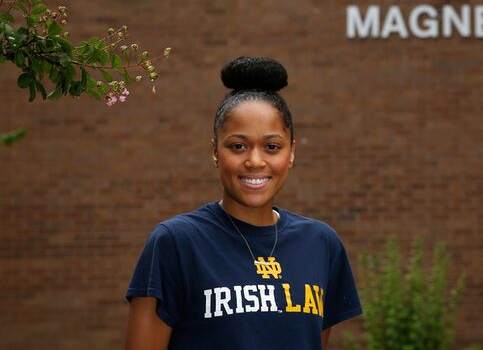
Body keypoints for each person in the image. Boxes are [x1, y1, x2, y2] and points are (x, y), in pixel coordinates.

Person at [124, 56, 362, 349]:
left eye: (272, 147)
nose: (255, 161)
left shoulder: (322, 244)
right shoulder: (177, 243)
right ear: (215, 151)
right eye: (238, 146)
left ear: (291, 153)